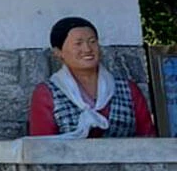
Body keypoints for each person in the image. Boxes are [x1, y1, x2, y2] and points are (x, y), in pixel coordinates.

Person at [27, 16, 157, 138]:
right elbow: (41, 144)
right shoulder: (47, 93)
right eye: (78, 43)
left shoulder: (128, 90)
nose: (87, 49)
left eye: (92, 42)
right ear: (58, 52)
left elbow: (148, 137)